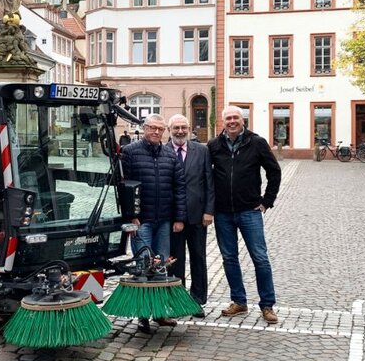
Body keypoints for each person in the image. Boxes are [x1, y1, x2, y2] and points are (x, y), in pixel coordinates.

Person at [207, 106, 282, 325]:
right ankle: (239, 301)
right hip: (223, 213)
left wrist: (267, 201)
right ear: (223, 122)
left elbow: (274, 171)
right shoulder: (214, 145)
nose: (232, 121)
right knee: (229, 258)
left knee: (259, 257)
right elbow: (205, 175)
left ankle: (267, 305)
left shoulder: (256, 142)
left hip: (249, 210)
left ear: (243, 120)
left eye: (235, 118)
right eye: (228, 118)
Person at [121, 114, 187, 331]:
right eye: (152, 128)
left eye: (160, 129)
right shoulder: (130, 152)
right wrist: (130, 215)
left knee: (162, 267)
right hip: (142, 221)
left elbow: (179, 189)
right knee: (144, 266)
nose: (156, 132)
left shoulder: (170, 155)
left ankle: (159, 313)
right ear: (144, 128)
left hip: (164, 221)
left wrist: (178, 218)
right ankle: (142, 316)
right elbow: (123, 186)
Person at [166, 114, 215, 317]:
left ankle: (197, 300)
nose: (180, 131)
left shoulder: (202, 150)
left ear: (189, 129)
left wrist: (209, 211)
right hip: (173, 217)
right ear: (169, 130)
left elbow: (209, 182)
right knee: (175, 260)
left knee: (198, 258)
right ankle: (178, 301)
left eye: (183, 127)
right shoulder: (163, 151)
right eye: (176, 128)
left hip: (197, 215)